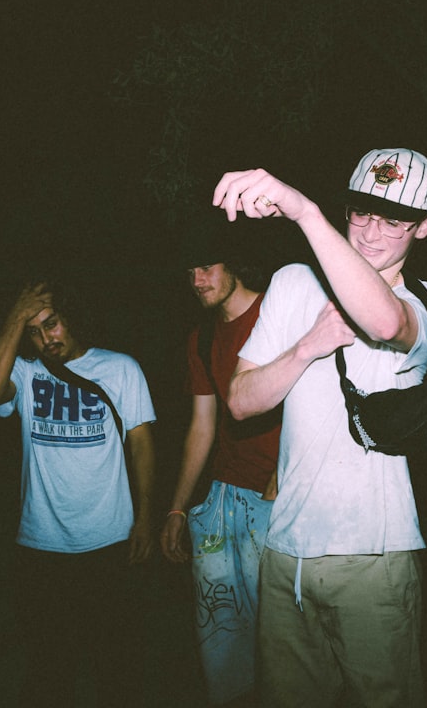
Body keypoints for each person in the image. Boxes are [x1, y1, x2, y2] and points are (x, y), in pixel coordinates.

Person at [214, 148, 427, 707]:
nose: (371, 232)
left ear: (425, 227)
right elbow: (241, 402)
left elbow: (383, 320)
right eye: (360, 213)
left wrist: (304, 213)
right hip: (285, 549)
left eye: (394, 220)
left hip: (374, 554)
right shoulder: (295, 282)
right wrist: (307, 347)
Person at [0, 278, 156, 707]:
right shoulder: (25, 371)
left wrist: (145, 519)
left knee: (115, 666)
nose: (44, 338)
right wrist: (15, 317)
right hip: (41, 548)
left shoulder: (120, 368)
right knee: (49, 669)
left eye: (51, 324)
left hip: (108, 542)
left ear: (71, 316)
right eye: (33, 331)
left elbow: (143, 446)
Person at [159, 216, 282, 706]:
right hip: (220, 501)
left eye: (206, 267)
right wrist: (176, 508)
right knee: (220, 630)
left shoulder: (278, 315)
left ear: (232, 264)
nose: (197, 281)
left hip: (274, 502)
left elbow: (317, 403)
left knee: (281, 640)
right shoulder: (203, 337)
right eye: (189, 271)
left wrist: (282, 476)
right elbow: (202, 426)